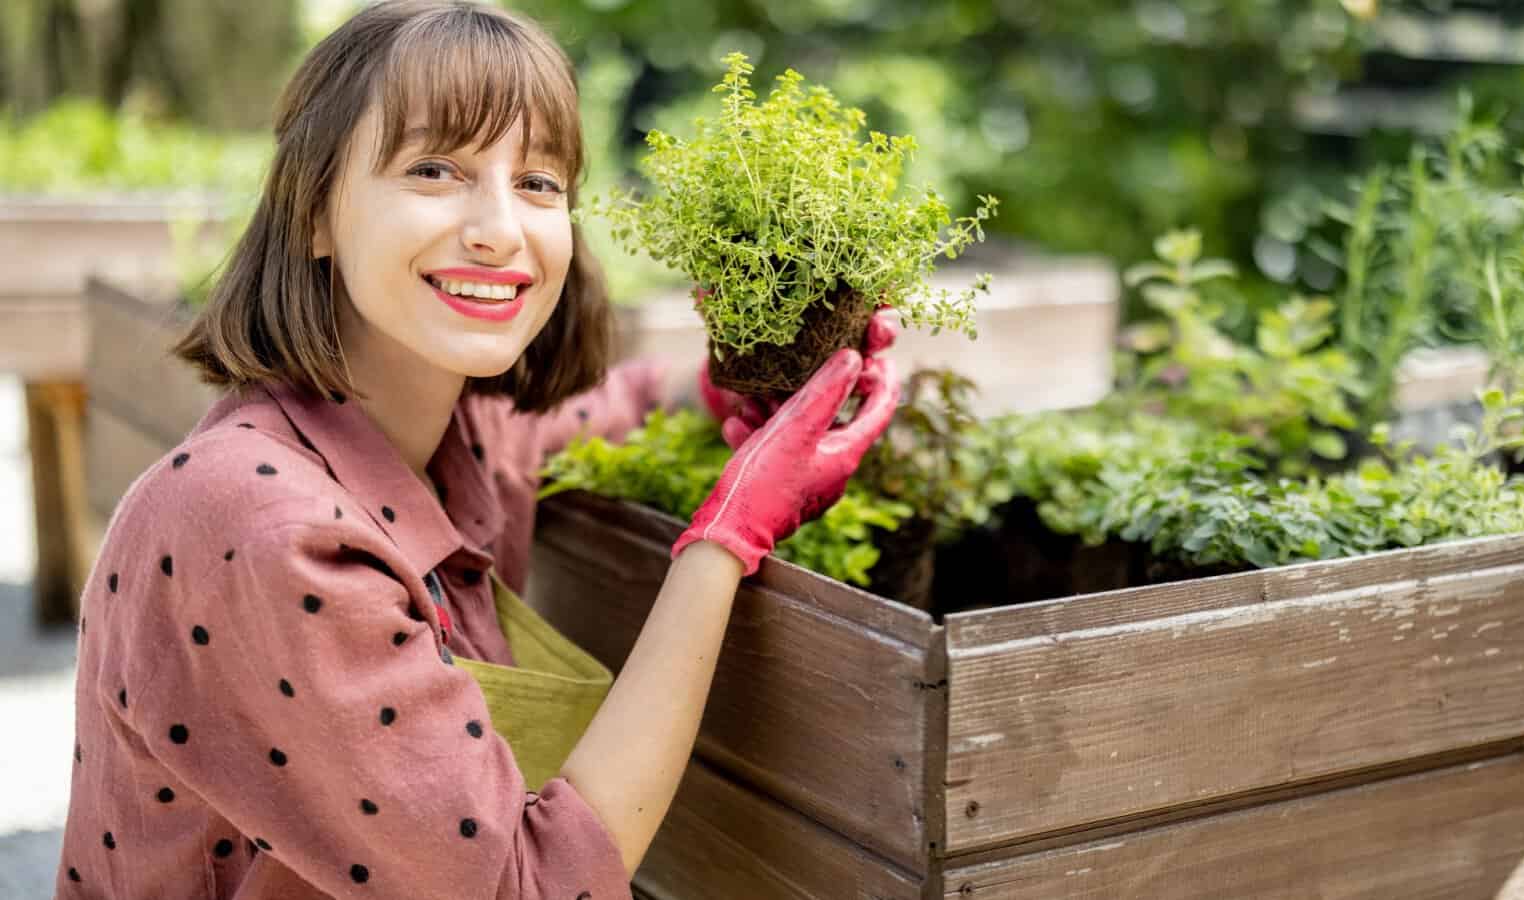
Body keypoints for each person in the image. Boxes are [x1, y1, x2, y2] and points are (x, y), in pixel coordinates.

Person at [54, 2, 900, 898]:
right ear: (314, 216)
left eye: (538, 183)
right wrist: (726, 540)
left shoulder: (451, 437)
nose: (499, 228)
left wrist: (724, 381)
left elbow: (595, 412)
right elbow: (526, 887)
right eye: (434, 169)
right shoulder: (259, 524)